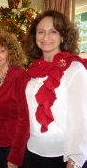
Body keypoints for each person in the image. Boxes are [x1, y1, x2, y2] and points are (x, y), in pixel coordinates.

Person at [24, 10, 87, 168]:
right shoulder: (33, 70)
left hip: (62, 156)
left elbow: (80, 121)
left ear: (63, 36)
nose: (45, 37)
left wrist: (74, 160)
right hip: (31, 152)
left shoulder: (75, 69)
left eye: (53, 32)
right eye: (41, 32)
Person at [0, 32, 30, 168]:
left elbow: (24, 120)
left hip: (13, 146)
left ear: (11, 53)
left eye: (2, 51)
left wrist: (15, 155)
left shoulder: (19, 77)